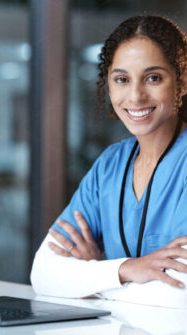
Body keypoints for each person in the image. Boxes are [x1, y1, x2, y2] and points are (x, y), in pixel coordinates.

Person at [30, 15, 187, 308]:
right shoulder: (109, 166)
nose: (136, 96)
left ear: (183, 80)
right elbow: (43, 273)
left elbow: (179, 296)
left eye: (153, 78)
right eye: (122, 79)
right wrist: (124, 269)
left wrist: (93, 277)